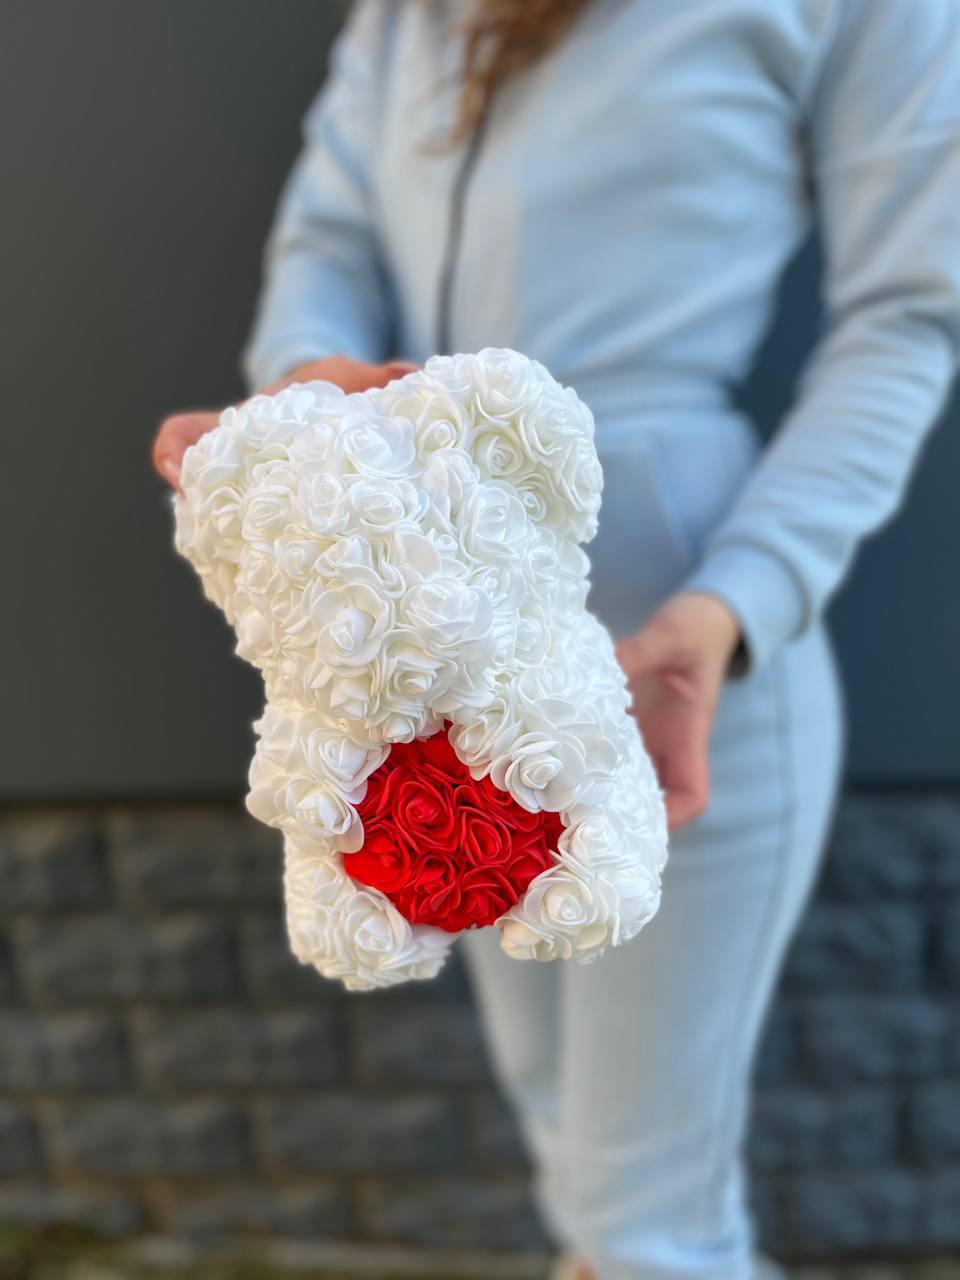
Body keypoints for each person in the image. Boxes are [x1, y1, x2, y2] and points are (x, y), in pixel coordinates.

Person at [153, 2, 960, 1276]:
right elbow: (328, 235)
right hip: (435, 672)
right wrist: (312, 408)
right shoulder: (409, 16)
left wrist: (740, 597)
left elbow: (909, 313)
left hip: (688, 644)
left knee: (648, 1218)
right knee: (566, 1147)